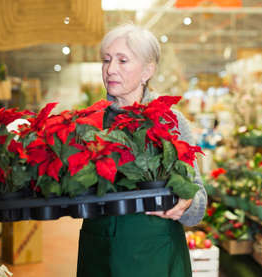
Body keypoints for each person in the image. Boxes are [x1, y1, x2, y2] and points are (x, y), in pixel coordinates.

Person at [77, 24, 207, 277]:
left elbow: (199, 202)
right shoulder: (88, 123)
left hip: (156, 254)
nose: (110, 69)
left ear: (148, 70)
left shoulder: (171, 121)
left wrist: (185, 202)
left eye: (122, 60)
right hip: (101, 252)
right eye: (106, 60)